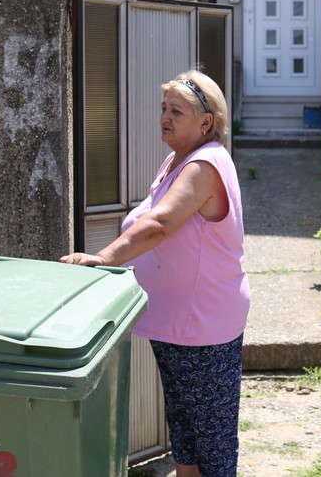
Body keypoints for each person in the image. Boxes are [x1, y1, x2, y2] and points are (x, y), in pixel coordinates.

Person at [60, 70, 250, 477]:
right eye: (164, 108)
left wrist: (103, 259)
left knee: (212, 444)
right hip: (178, 324)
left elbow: (160, 224)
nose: (164, 117)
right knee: (185, 433)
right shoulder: (176, 161)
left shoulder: (205, 165)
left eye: (176, 111)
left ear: (206, 122)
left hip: (204, 326)